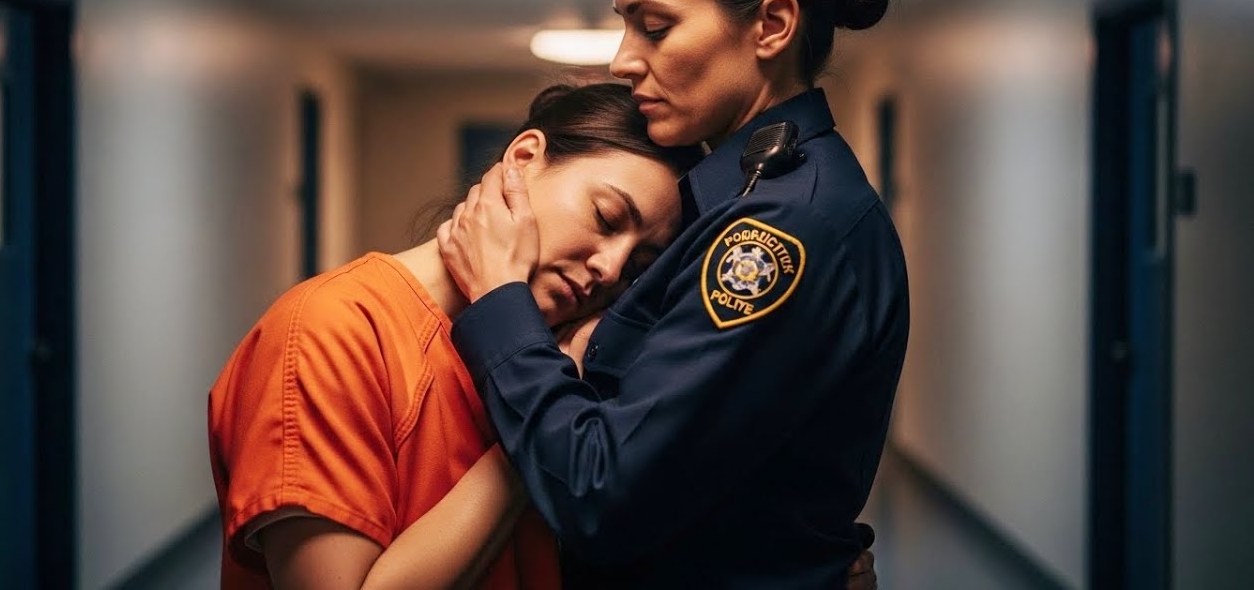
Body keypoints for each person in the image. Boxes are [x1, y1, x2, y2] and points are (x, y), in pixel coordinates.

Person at [208, 83, 878, 588]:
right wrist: (542, 439)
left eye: (641, 263)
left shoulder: (565, 353)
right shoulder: (329, 331)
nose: (611, 269)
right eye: (607, 216)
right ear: (524, 158)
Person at [436, 0, 907, 588]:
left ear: (772, 27)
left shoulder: (782, 229)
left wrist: (502, 300)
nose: (625, 58)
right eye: (625, 24)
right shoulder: (744, 193)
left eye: (655, 27)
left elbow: (604, 495)